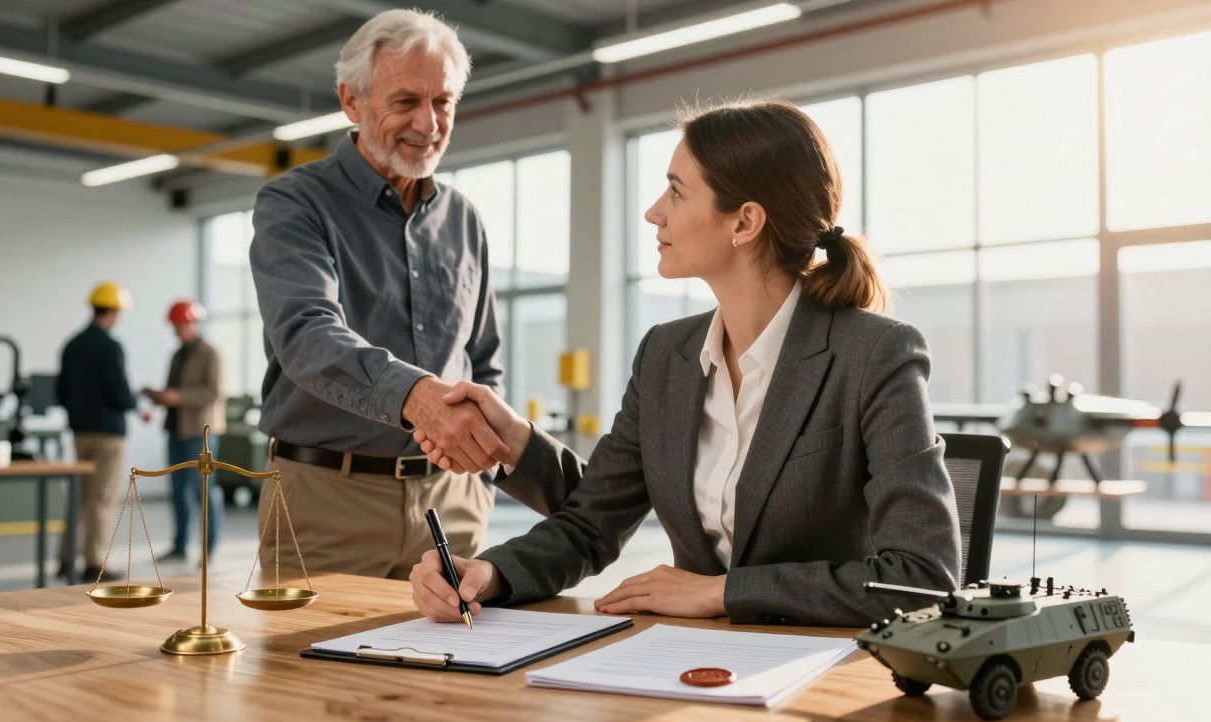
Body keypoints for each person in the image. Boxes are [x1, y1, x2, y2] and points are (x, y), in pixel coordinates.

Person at [409, 100, 962, 627]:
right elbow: (589, 523)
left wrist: (721, 592)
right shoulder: (664, 356)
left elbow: (923, 578)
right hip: (688, 662)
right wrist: (488, 573)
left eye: (675, 191)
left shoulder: (874, 355)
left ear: (743, 222)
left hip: (824, 668)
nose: (653, 212)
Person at [249, 9, 562, 580]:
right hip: (328, 502)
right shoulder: (294, 203)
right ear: (351, 101)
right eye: (405, 102)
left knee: (450, 665)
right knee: (313, 672)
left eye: (443, 102)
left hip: (454, 501)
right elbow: (307, 335)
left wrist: (479, 473)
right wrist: (414, 396)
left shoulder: (464, 218)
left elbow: (483, 358)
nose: (428, 122)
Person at [56, 282, 147, 581]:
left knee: (80, 497)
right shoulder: (110, 346)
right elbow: (120, 394)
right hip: (108, 435)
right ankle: (94, 562)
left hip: (79, 433)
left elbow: (60, 392)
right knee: (102, 498)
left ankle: (65, 558)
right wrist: (137, 403)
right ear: (113, 312)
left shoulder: (72, 344)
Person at [142, 300, 225, 564]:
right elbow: (171, 391)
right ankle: (179, 545)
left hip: (200, 432)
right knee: (178, 490)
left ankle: (209, 548)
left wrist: (178, 397)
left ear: (192, 323)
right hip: (176, 429)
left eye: (179, 325)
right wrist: (156, 398)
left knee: (204, 489)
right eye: (174, 326)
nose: (176, 330)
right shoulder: (178, 354)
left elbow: (212, 393)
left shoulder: (210, 353)